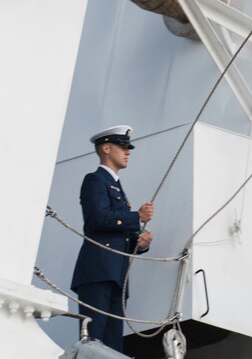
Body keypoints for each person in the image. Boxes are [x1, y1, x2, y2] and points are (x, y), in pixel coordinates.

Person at [71, 125, 154, 353]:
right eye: (123, 146)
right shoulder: (95, 180)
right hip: (98, 271)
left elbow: (117, 234)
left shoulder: (115, 186)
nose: (128, 151)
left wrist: (139, 245)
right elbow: (98, 219)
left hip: (116, 273)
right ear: (106, 148)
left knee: (112, 347)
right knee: (94, 343)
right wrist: (136, 216)